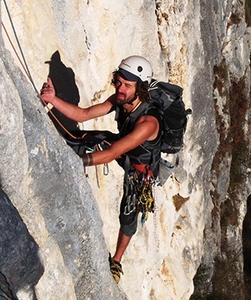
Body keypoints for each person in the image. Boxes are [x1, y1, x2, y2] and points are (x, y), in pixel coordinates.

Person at [40, 56, 162, 283]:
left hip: (140, 169)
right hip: (121, 147)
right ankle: (67, 149)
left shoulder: (148, 123)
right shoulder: (120, 99)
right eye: (119, 81)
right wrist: (52, 99)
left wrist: (78, 162)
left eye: (127, 85)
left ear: (140, 89)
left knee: (128, 214)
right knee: (81, 138)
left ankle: (116, 260)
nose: (120, 88)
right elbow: (83, 115)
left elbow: (111, 154)